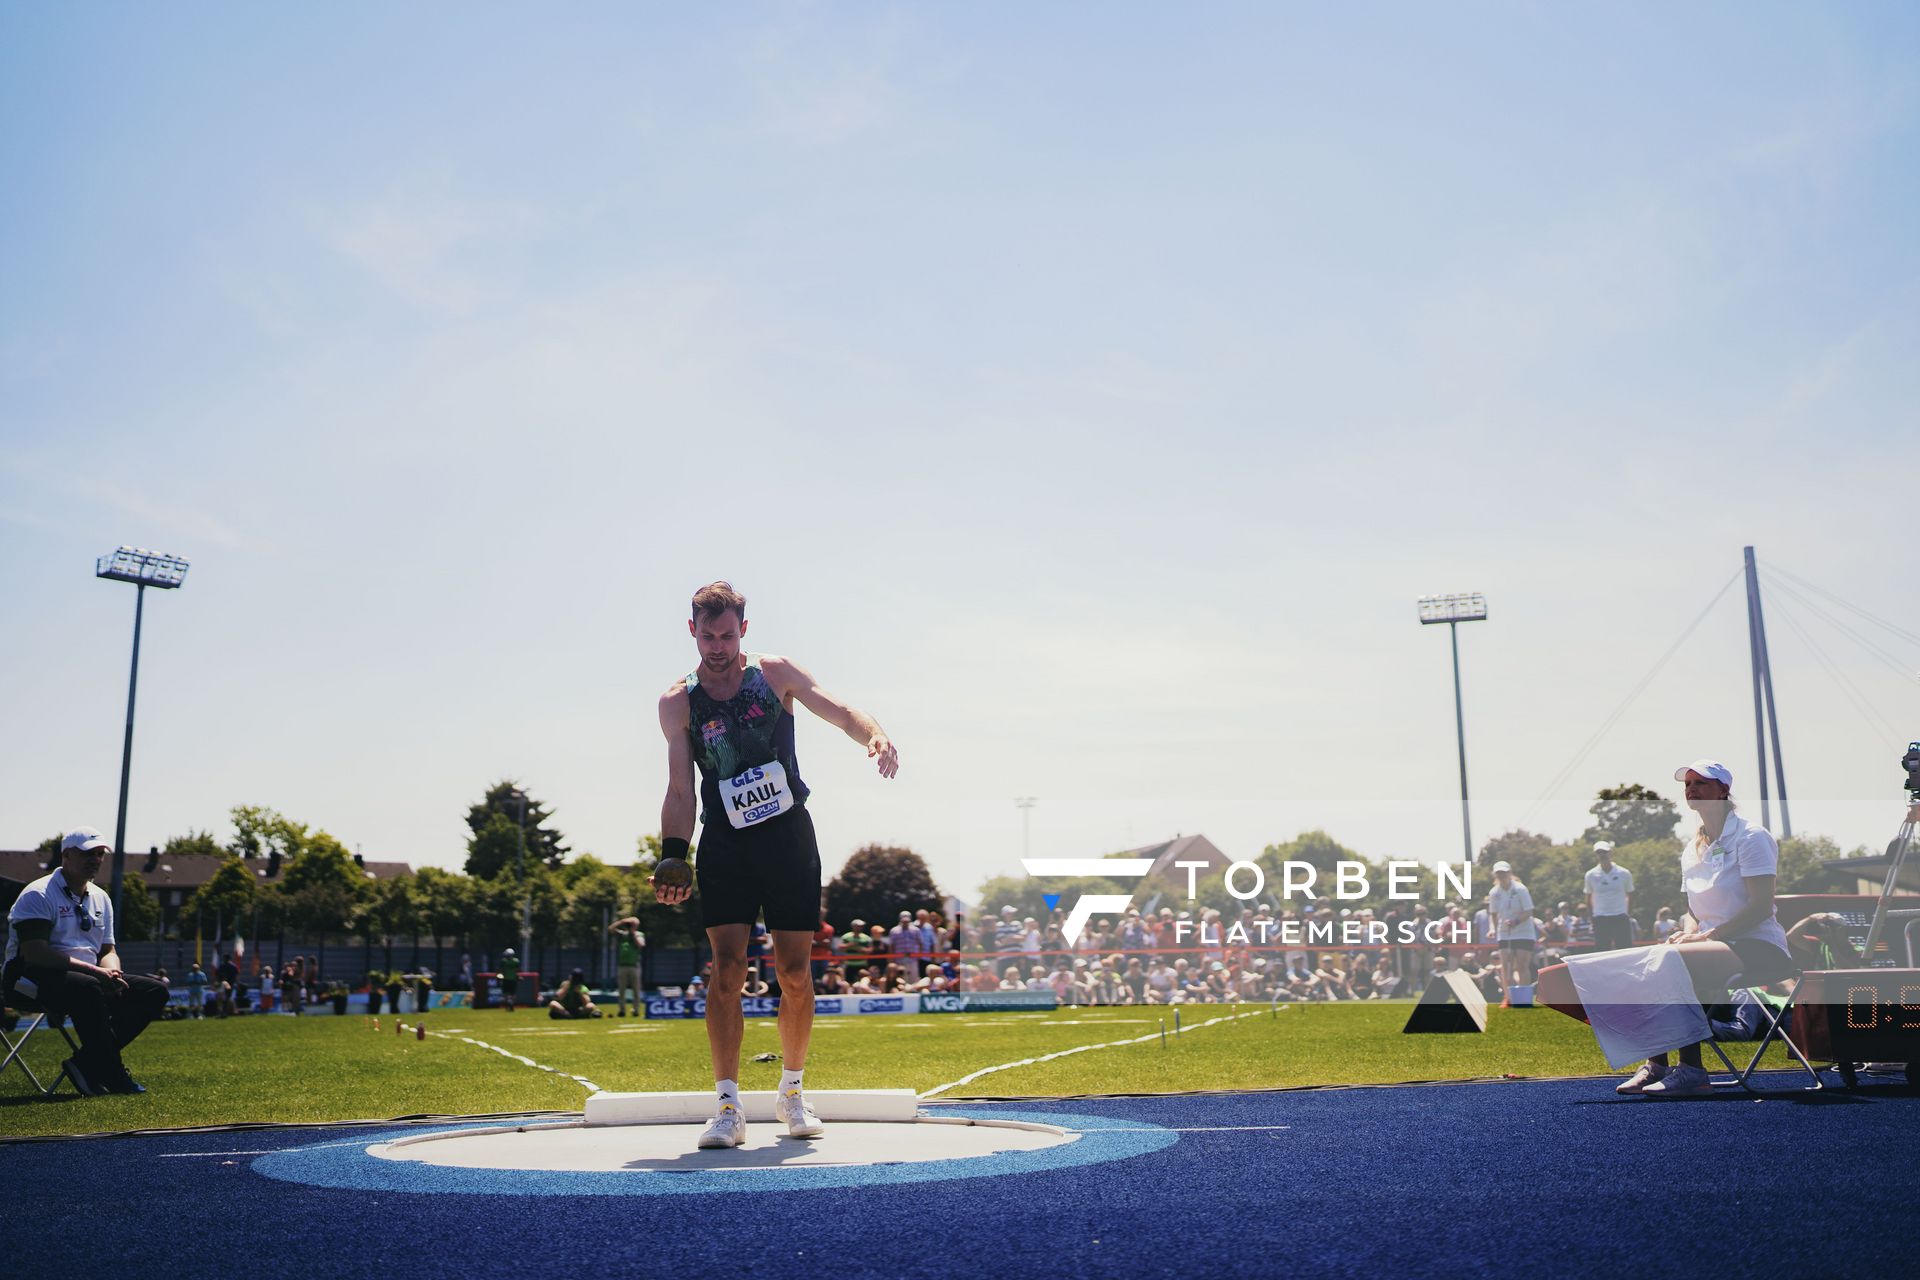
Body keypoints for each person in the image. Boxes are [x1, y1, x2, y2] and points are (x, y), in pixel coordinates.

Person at [652, 581, 898, 1149]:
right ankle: (727, 1104)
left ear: (744, 629)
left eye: (728, 634)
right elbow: (680, 790)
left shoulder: (775, 673)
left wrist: (876, 735)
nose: (717, 646)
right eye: (707, 635)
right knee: (727, 969)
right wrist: (672, 853)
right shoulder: (678, 702)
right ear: (692, 631)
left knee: (792, 972)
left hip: (787, 836)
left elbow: (839, 712)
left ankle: (791, 1090)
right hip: (725, 843)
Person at [1537, 759, 1797, 1098]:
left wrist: (1704, 937)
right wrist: (1687, 932)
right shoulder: (1692, 848)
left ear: (1723, 790)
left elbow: (1760, 905)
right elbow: (1692, 909)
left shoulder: (1751, 837)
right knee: (1653, 959)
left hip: (1760, 948)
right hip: (1712, 946)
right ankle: (1657, 1064)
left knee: (1668, 962)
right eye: (1688, 784)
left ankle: (1690, 1070)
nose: (1691, 789)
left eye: (1701, 783)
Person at [2, 829, 170, 1095]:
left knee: (155, 990)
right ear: (66, 855)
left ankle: (86, 1063)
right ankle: (112, 1073)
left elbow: (108, 948)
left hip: (85, 978)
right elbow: (36, 954)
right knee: (87, 987)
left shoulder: (101, 897)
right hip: (26, 978)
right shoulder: (38, 894)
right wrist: (96, 973)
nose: (95, 859)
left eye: (99, 854)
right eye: (87, 853)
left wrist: (111, 972)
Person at [1584, 841, 1635, 951]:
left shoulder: (1624, 873)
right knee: (1602, 952)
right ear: (1596, 855)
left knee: (1625, 951)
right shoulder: (1590, 875)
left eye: (1604, 852)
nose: (1602, 855)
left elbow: (1630, 895)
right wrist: (1592, 918)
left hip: (1620, 917)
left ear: (1610, 853)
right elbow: (1588, 899)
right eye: (1599, 852)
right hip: (1600, 918)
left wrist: (1627, 914)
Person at [609, 917, 646, 1016]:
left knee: (636, 989)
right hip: (622, 966)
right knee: (621, 989)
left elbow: (640, 945)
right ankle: (622, 1010)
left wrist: (633, 932)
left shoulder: (639, 934)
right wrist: (622, 922)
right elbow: (611, 929)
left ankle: (636, 1010)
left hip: (634, 966)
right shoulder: (622, 935)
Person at [497, 948, 520, 1013]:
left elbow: (500, 970)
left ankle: (508, 1003)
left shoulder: (503, 961)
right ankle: (511, 1002)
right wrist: (518, 976)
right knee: (513, 994)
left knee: (506, 993)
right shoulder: (516, 961)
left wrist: (499, 976)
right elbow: (518, 970)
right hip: (513, 979)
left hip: (506, 979)